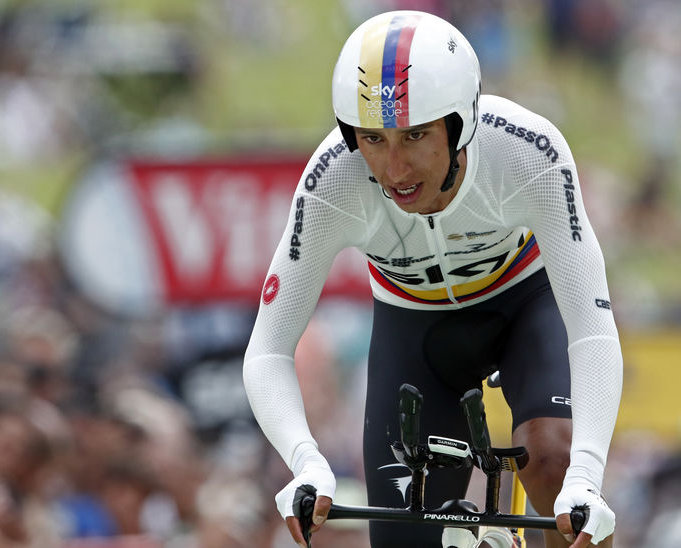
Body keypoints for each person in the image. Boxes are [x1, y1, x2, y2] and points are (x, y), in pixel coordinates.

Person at [242, 10, 622, 548]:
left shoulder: (527, 152)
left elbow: (593, 331)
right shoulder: (333, 179)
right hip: (414, 330)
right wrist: (304, 461)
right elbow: (267, 350)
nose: (394, 170)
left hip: (525, 305)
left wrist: (587, 475)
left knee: (554, 461)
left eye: (415, 136)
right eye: (373, 139)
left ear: (461, 123)